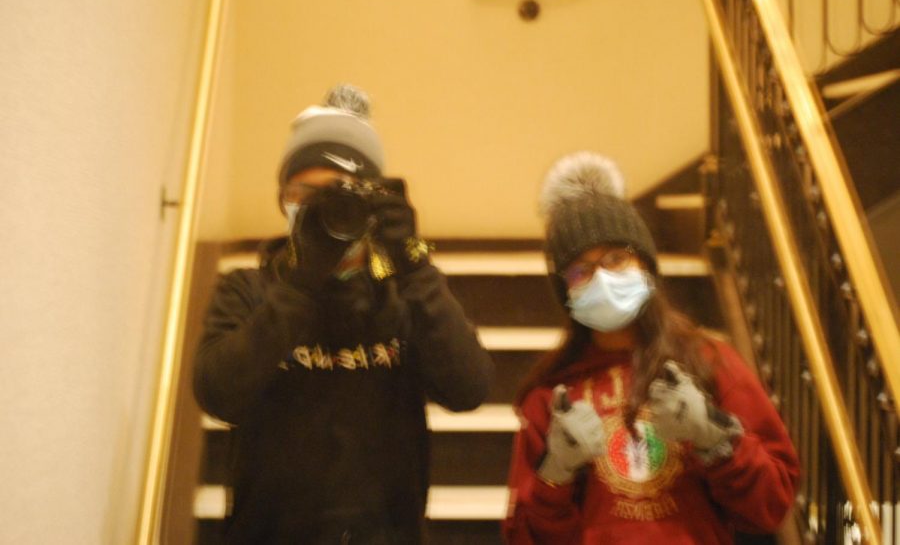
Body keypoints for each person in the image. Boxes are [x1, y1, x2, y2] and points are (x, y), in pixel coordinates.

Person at [193, 84, 494, 544]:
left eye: (339, 192)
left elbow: (469, 388)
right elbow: (218, 396)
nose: (320, 206)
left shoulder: (400, 295)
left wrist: (413, 262)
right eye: (305, 192)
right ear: (283, 199)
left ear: (372, 200)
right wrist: (300, 285)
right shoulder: (251, 292)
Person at [503, 152, 799, 544]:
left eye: (616, 258)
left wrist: (716, 439)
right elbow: (525, 537)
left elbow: (771, 505)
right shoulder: (553, 396)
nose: (603, 278)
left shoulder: (711, 364)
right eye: (581, 269)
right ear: (566, 290)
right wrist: (556, 472)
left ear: (645, 264)